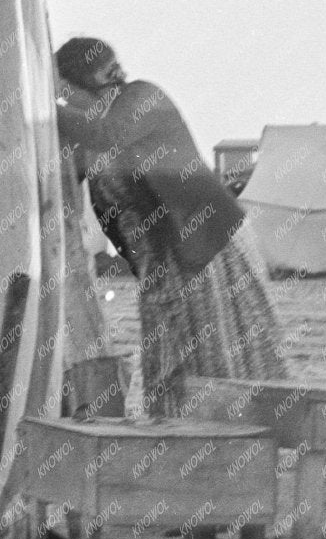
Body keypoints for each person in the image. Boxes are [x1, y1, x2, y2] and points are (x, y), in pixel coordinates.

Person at [54, 36, 287, 419]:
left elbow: (106, 136)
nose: (66, 103)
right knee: (171, 368)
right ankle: (184, 448)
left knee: (218, 364)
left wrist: (42, 105)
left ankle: (236, 443)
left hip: (207, 250)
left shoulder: (141, 98)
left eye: (66, 92)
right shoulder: (92, 127)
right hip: (162, 265)